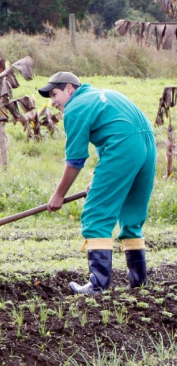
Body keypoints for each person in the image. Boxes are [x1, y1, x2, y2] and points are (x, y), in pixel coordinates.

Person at [41, 71, 155, 294]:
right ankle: (139, 283)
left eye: (54, 94)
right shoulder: (102, 94)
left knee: (96, 213)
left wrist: (58, 195)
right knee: (132, 216)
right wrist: (101, 179)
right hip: (147, 143)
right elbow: (114, 131)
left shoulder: (74, 108)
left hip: (124, 146)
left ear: (69, 89)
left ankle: (97, 284)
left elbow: (75, 160)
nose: (53, 102)